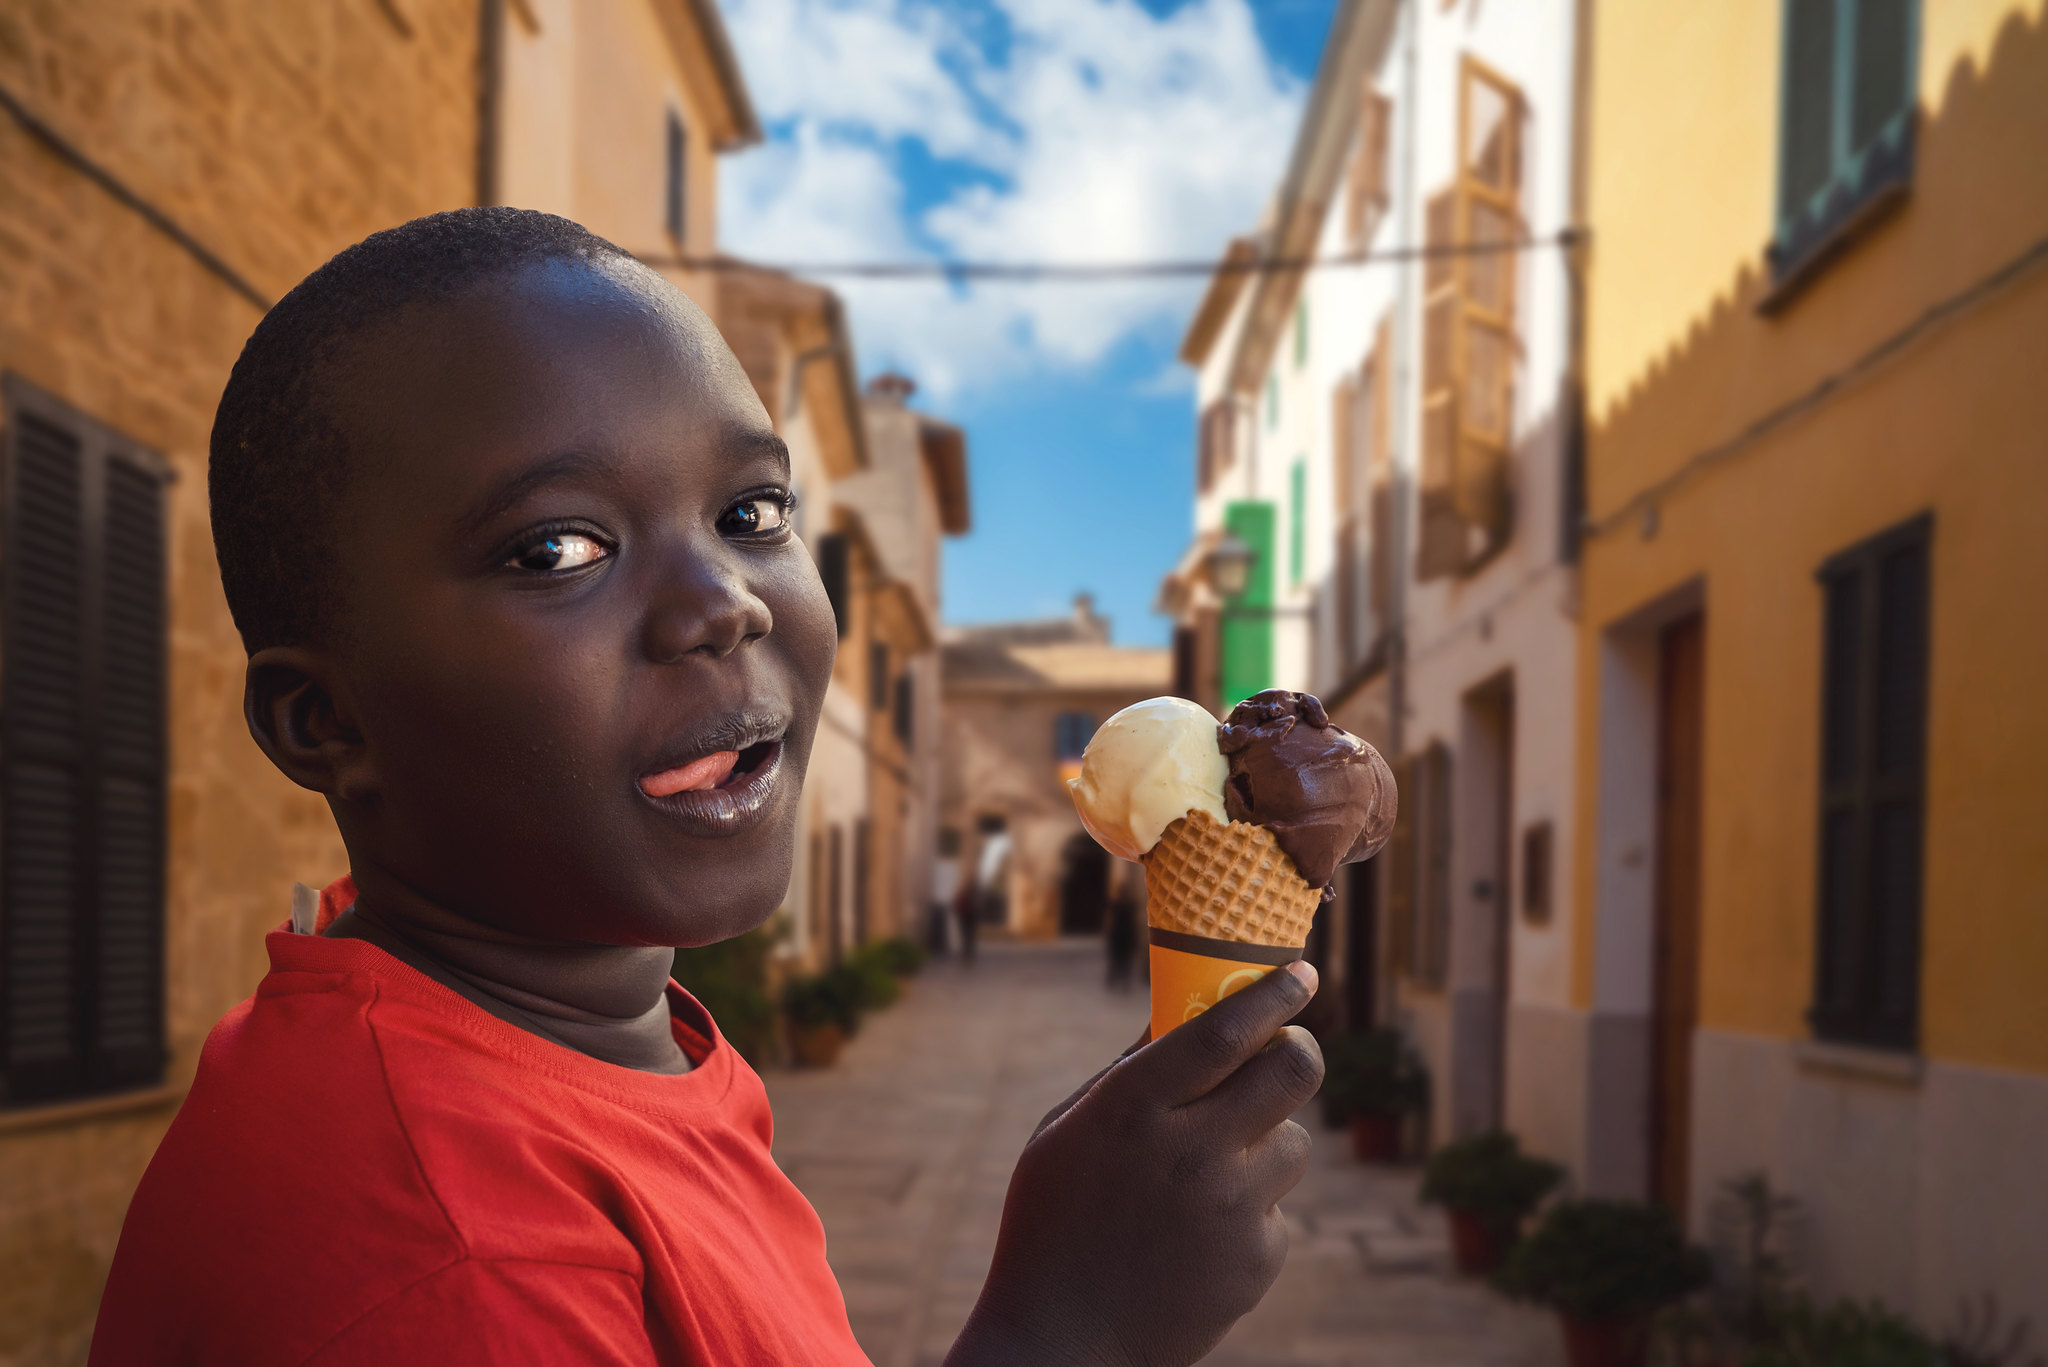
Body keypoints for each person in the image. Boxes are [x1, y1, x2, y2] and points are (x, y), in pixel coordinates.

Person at [88, 209, 1324, 1367]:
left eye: (752, 509)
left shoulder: (594, 1031)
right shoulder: (455, 1257)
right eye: (557, 548)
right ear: (327, 720)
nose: (725, 601)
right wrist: (1069, 1324)